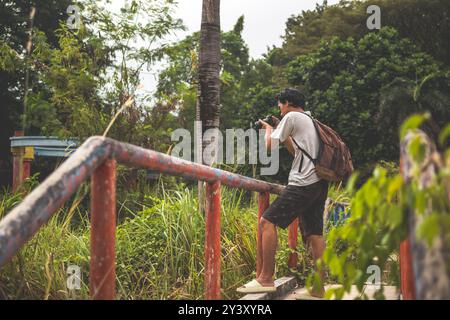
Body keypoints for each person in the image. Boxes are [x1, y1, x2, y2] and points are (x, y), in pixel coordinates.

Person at [237, 88, 328, 297]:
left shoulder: (292, 116)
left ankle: (265, 278)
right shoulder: (309, 119)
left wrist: (269, 128)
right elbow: (296, 151)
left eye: (280, 104)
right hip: (318, 183)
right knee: (315, 233)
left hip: (303, 182)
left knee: (266, 222)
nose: (279, 108)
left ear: (286, 102)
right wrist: (279, 128)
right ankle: (318, 289)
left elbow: (269, 146)